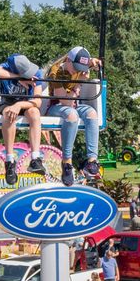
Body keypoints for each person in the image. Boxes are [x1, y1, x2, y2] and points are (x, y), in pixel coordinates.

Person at [0, 52, 48, 184]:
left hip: (25, 103)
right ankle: (9, 161)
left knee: (35, 113)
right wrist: (19, 77)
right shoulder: (6, 67)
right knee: (9, 114)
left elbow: (37, 102)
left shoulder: (35, 73)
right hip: (7, 103)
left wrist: (19, 104)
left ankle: (35, 159)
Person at [46, 46, 103, 183]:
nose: (78, 70)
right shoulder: (56, 72)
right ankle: (66, 162)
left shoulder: (80, 65)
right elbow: (66, 102)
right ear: (68, 60)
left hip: (74, 104)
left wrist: (95, 63)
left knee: (91, 113)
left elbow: (92, 62)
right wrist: (79, 84)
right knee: (72, 115)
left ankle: (92, 161)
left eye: (81, 67)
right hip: (56, 106)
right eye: (76, 67)